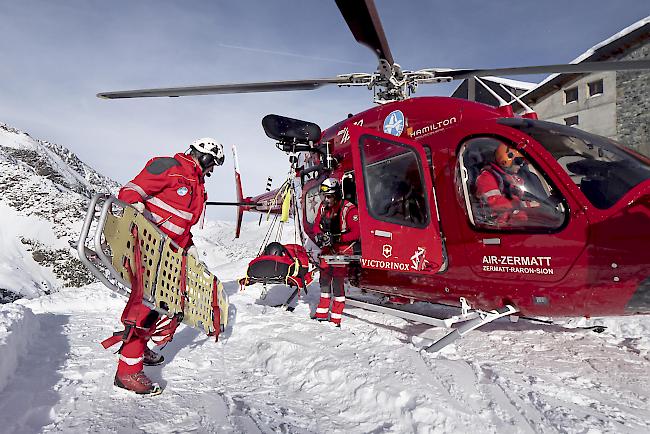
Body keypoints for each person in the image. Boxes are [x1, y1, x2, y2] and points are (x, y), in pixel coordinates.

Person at [110, 137, 224, 395]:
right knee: (146, 309)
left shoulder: (197, 186)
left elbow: (182, 224)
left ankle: (140, 348)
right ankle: (127, 372)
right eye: (213, 163)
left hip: (168, 256)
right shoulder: (169, 166)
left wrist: (190, 247)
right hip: (147, 248)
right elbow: (132, 189)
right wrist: (136, 207)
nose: (212, 169)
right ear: (204, 156)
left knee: (161, 305)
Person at [312, 178, 360, 327]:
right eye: (324, 196)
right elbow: (316, 226)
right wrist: (319, 236)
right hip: (327, 249)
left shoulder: (349, 209)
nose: (326, 200)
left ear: (336, 195)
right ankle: (321, 314)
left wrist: (337, 238)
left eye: (329, 197)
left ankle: (335, 319)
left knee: (338, 282)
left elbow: (357, 233)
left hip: (343, 249)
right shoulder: (322, 207)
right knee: (324, 280)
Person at [474, 143, 540, 226]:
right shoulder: (487, 178)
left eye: (523, 162)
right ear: (505, 160)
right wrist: (525, 205)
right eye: (519, 161)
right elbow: (497, 205)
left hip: (516, 222)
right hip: (499, 226)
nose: (521, 165)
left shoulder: (514, 179)